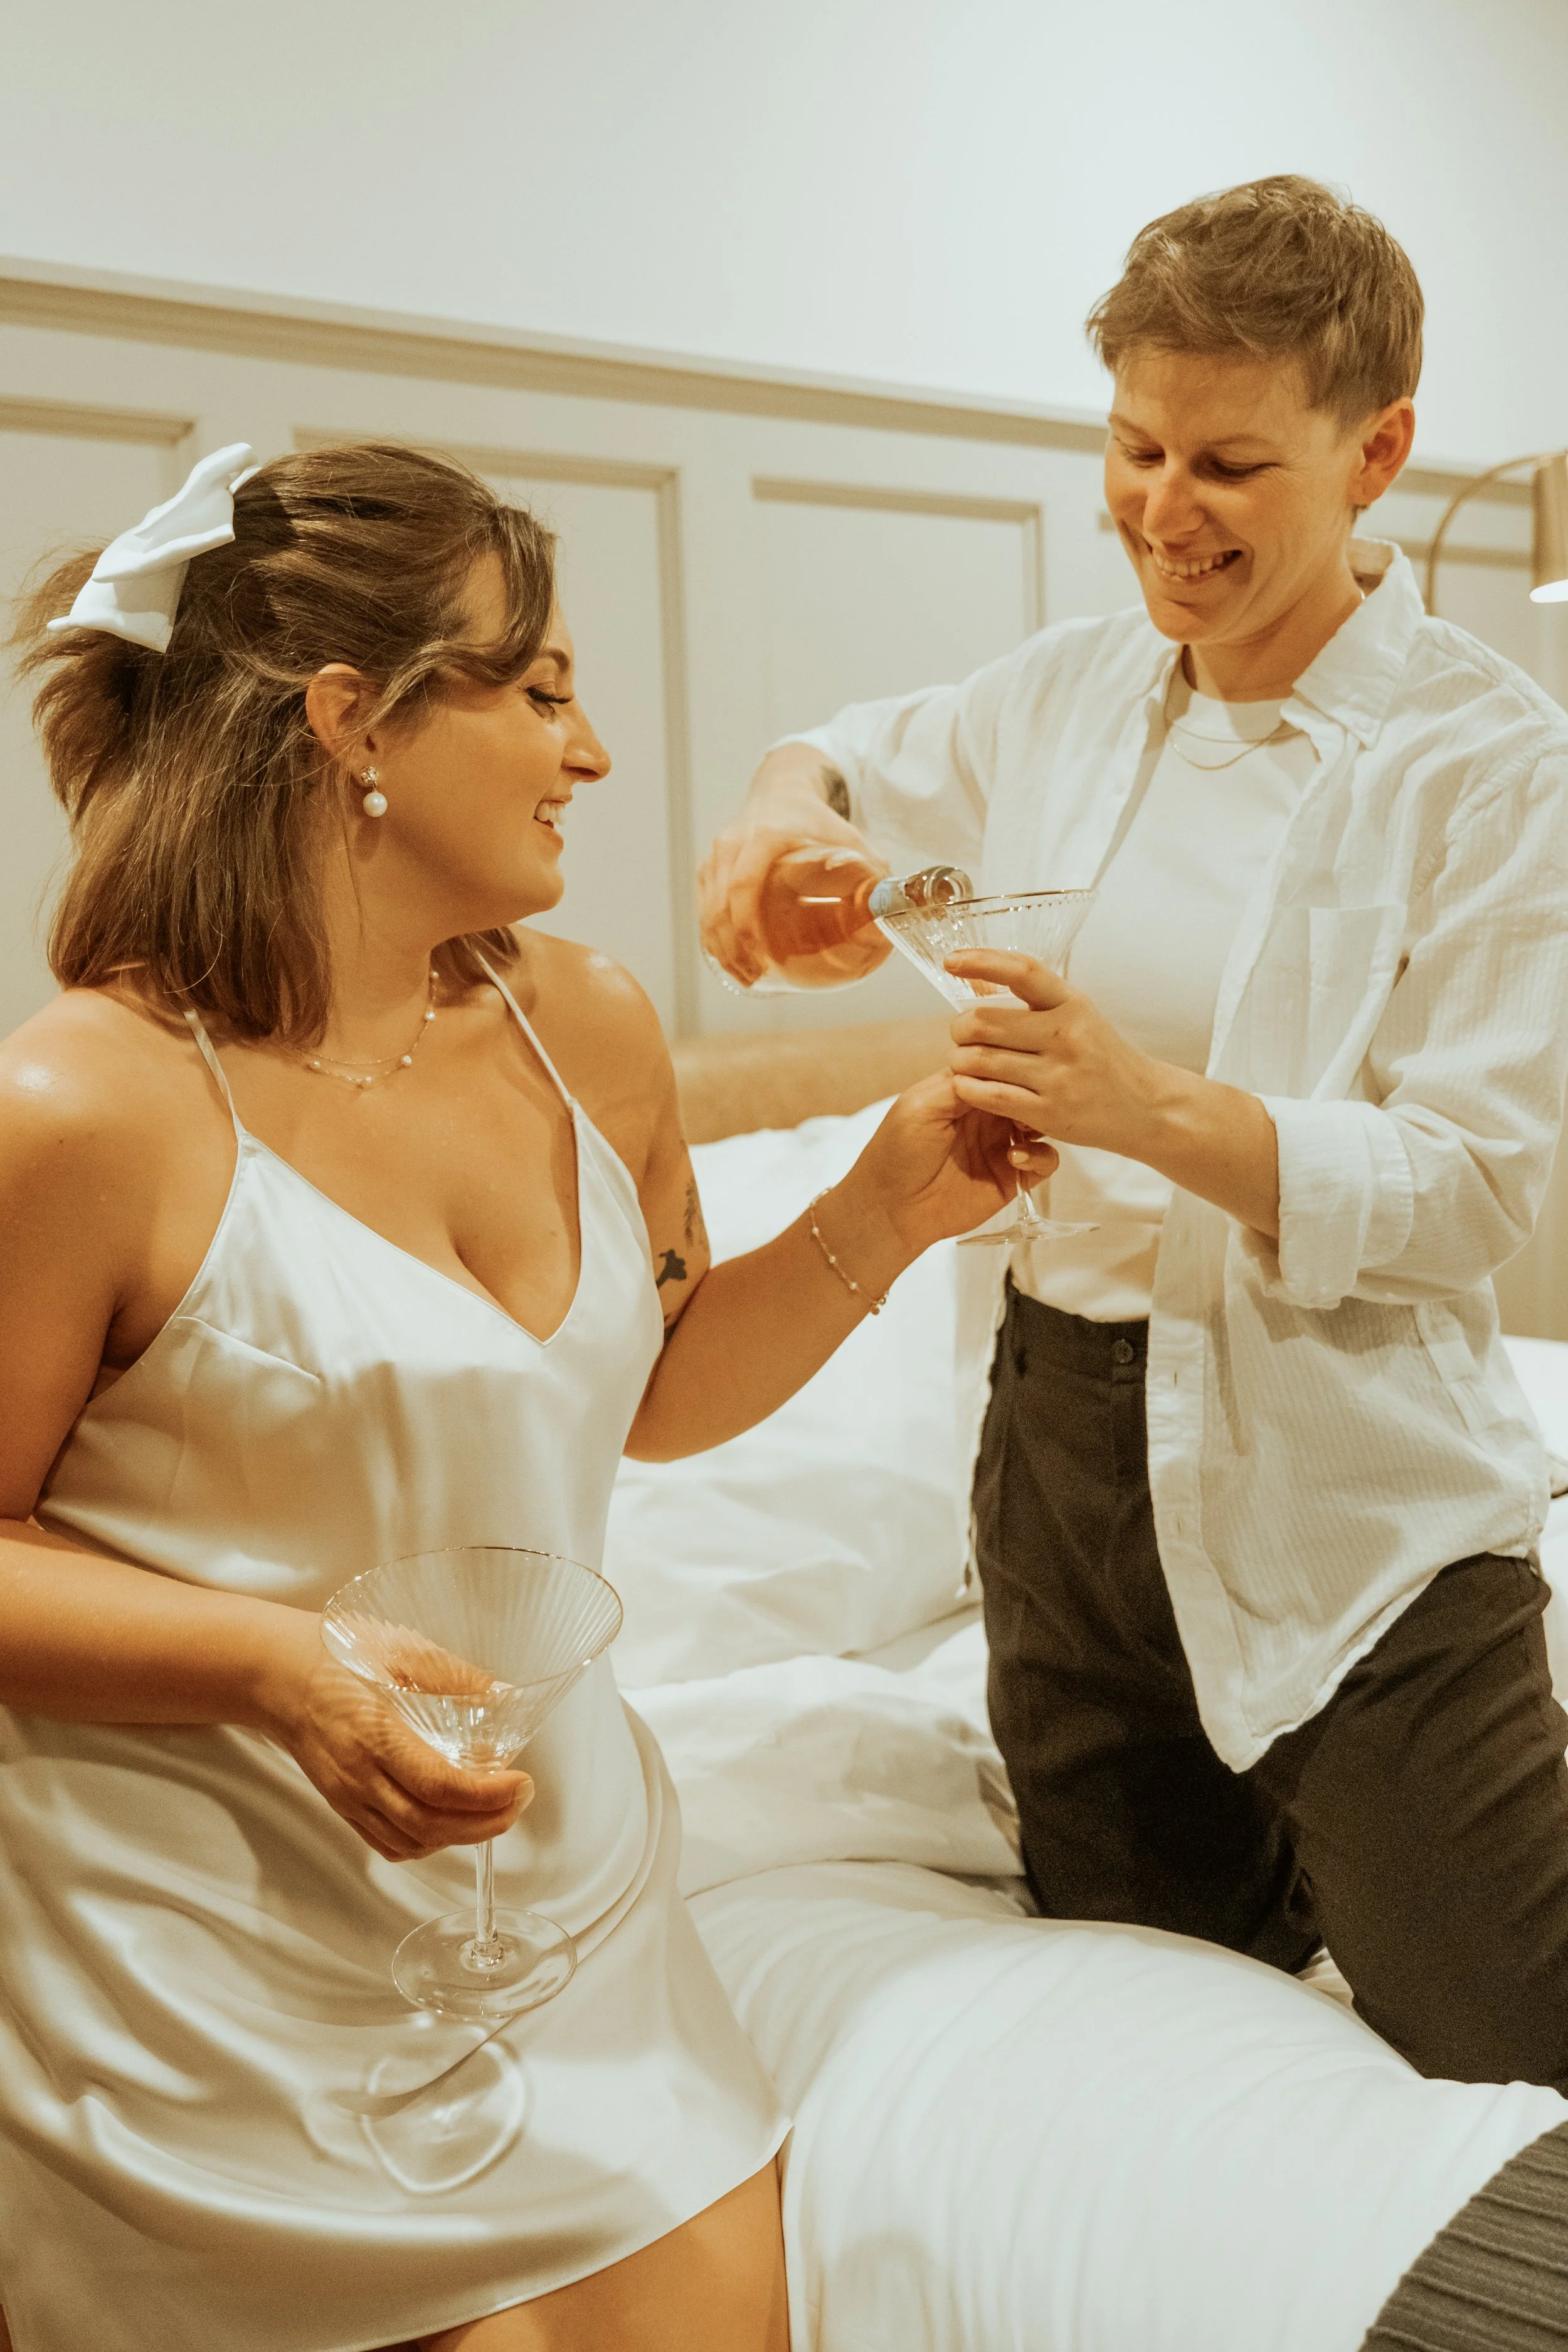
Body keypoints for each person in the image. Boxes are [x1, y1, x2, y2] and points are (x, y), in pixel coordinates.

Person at [0, 441, 1023, 2352]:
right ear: (349, 721)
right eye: (542, 687)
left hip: (562, 1919)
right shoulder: (86, 1107)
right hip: (195, 1982)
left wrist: (889, 1206)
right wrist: (277, 1666)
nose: (596, 752)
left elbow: (647, 1393)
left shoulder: (595, 1026)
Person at [701, 175, 1568, 2094]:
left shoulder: (1491, 762)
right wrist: (783, 818)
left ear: (1381, 452)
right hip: (1061, 1463)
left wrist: (1150, 1113)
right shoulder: (1069, 692)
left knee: (1512, 2042)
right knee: (1149, 2053)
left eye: (1230, 463)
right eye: (1134, 446)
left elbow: (1478, 1188)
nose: (1162, 514)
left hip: (1346, 1483)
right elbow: (842, 751)